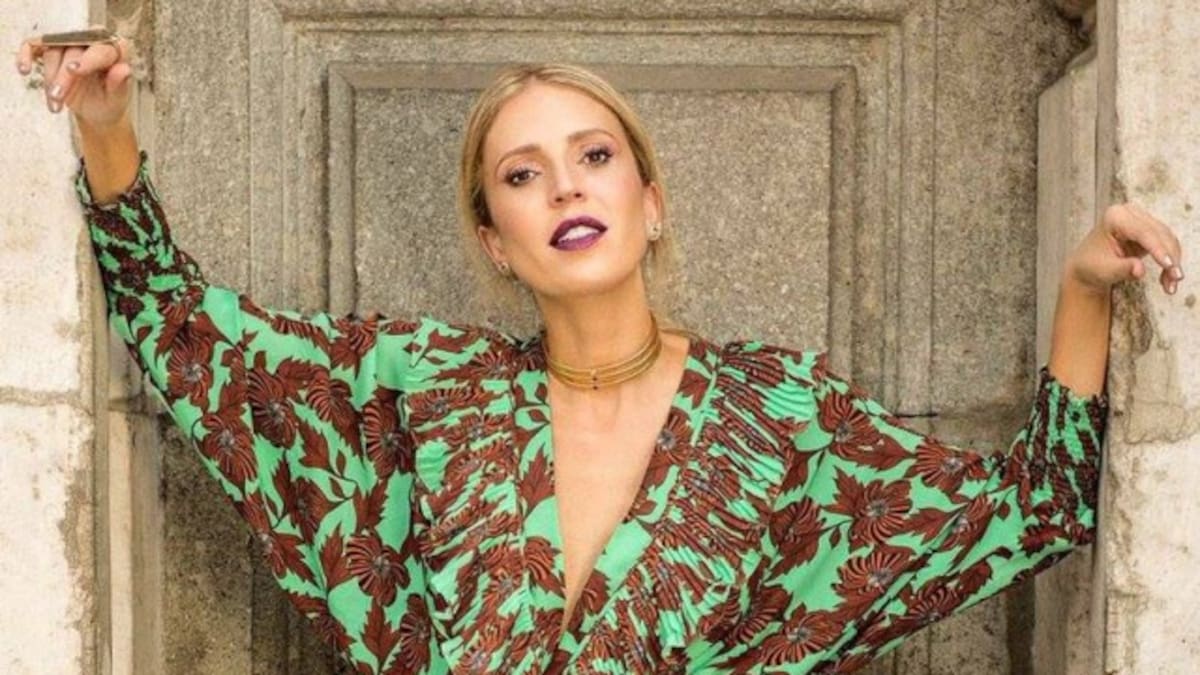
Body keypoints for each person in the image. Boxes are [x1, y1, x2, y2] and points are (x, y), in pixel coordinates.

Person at [16, 30, 1186, 675]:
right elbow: (178, 326)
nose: (565, 187)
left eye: (594, 156)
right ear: (496, 239)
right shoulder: (425, 393)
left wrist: (1083, 290)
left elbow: (1035, 509)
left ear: (651, 202)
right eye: (523, 174)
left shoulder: (776, 416)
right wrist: (106, 127)